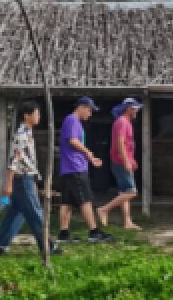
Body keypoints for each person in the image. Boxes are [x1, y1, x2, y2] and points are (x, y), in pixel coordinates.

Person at [0, 100, 60, 258]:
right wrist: (9, 183)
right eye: (36, 113)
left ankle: (1, 243)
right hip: (22, 179)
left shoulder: (28, 132)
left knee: (16, 212)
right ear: (26, 116)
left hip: (26, 178)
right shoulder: (21, 135)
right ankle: (47, 246)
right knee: (36, 213)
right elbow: (13, 160)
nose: (38, 116)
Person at [57, 96, 112, 243]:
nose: (90, 113)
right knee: (85, 199)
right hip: (75, 167)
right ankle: (94, 232)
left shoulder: (73, 121)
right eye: (89, 109)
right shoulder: (72, 120)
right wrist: (89, 154)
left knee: (67, 202)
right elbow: (73, 140)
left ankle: (63, 233)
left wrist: (90, 158)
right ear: (81, 107)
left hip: (69, 167)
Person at [98, 97, 143, 230]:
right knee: (131, 192)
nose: (137, 111)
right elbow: (120, 144)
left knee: (124, 192)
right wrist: (126, 161)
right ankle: (104, 209)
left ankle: (127, 222)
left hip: (122, 160)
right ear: (129, 108)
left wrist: (131, 159)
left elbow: (127, 145)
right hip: (120, 161)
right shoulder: (122, 122)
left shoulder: (125, 122)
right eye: (135, 108)